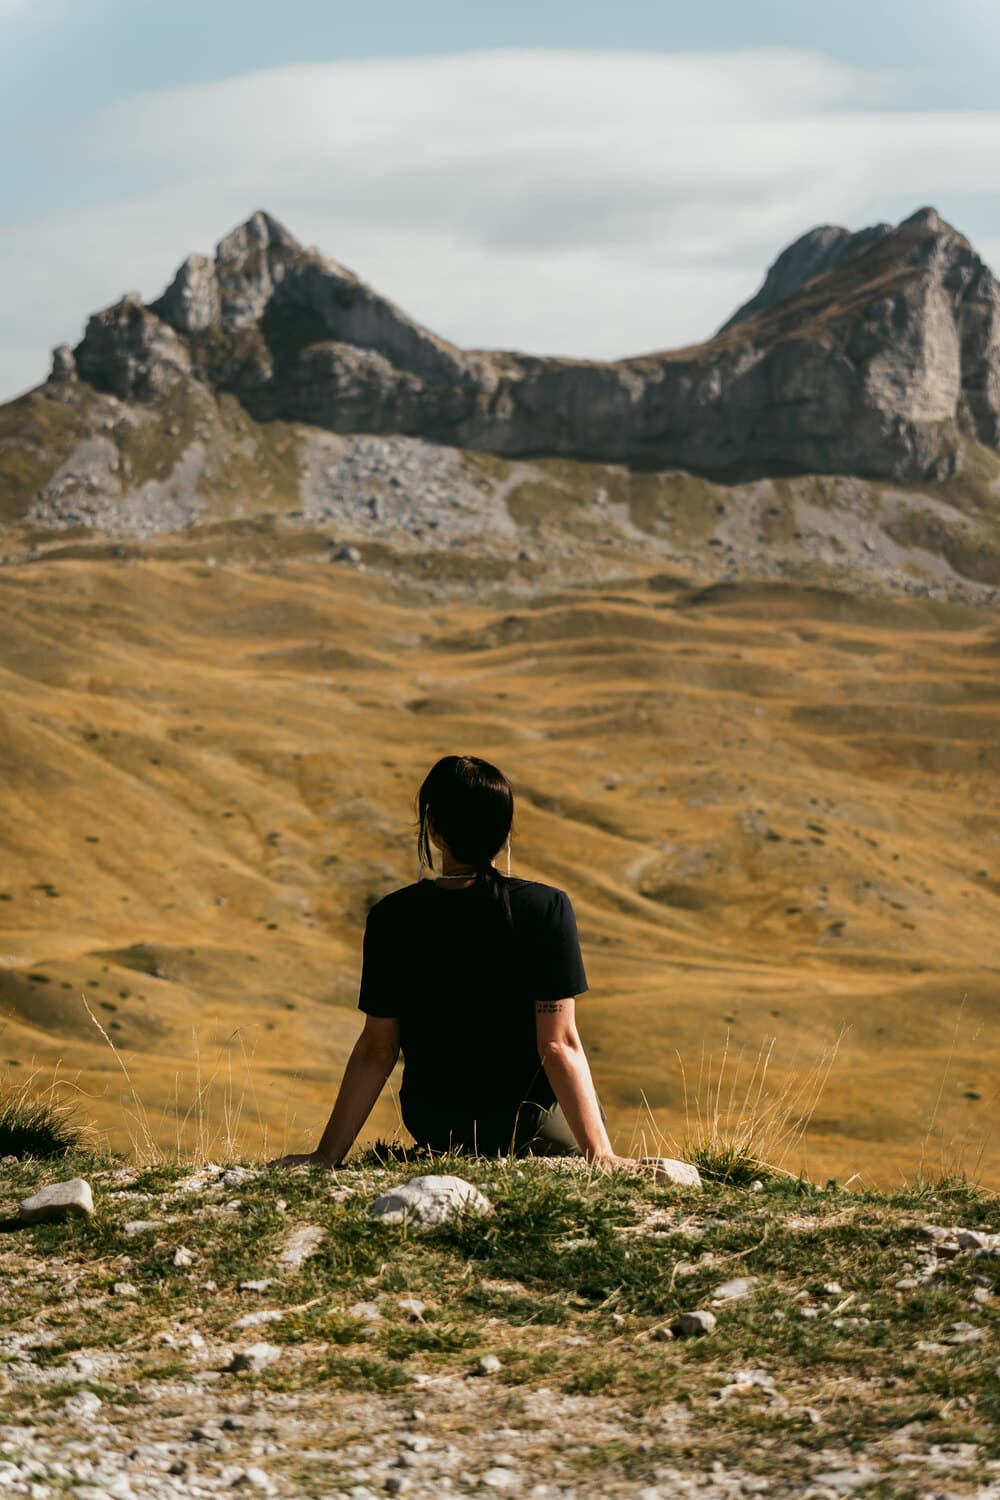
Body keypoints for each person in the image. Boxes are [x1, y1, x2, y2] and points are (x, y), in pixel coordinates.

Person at [274, 753, 632, 1169]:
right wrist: (601, 1154)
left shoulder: (392, 917)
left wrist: (326, 1155)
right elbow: (557, 1043)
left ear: (434, 829)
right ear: (504, 833)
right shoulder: (546, 908)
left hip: (436, 1123)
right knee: (579, 1117)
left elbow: (377, 1048)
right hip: (526, 1124)